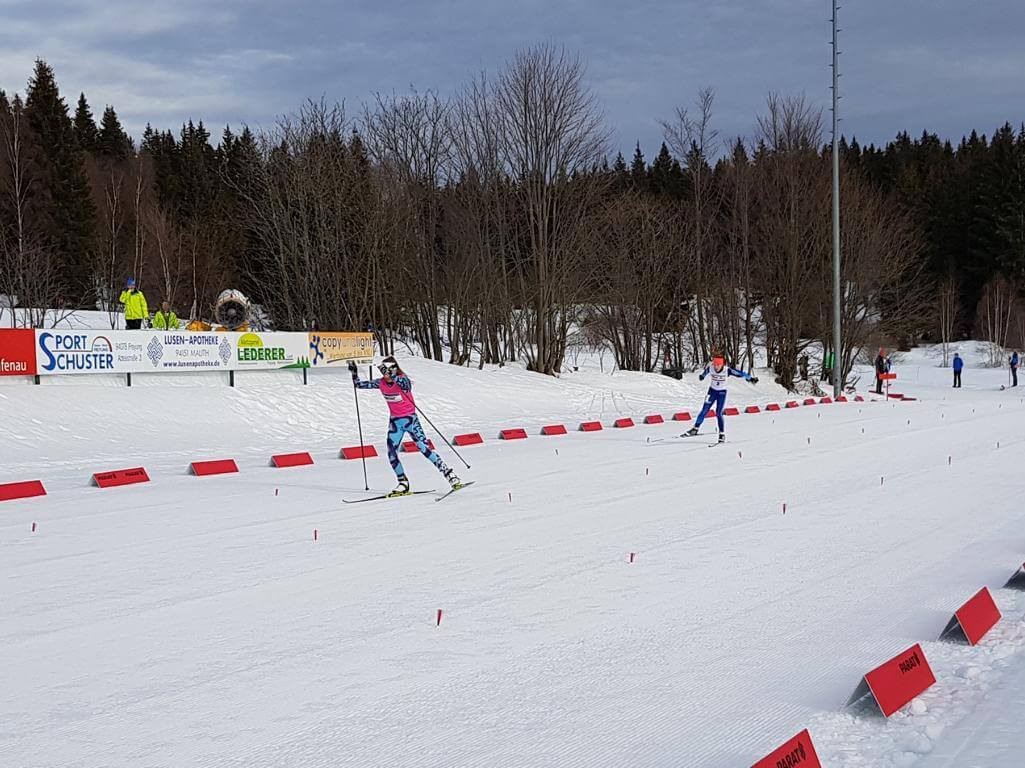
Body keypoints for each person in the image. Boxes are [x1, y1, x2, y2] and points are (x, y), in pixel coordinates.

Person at [349, 356, 462, 496]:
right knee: (391, 453)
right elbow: (359, 385)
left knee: (425, 449)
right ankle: (403, 482)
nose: (385, 374)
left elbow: (405, 385)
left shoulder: (403, 380)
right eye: (383, 371)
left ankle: (450, 476)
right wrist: (354, 372)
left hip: (410, 421)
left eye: (387, 371)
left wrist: (392, 373)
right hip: (395, 423)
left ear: (394, 370)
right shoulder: (381, 383)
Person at [682, 353, 758, 443]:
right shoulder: (711, 368)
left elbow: (740, 373)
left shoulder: (727, 370)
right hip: (711, 392)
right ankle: (695, 429)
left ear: (722, 364)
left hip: (721, 393)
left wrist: (750, 378)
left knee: (718, 413)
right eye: (715, 364)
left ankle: (722, 434)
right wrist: (702, 376)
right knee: (704, 410)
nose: (716, 367)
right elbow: (705, 372)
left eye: (718, 365)